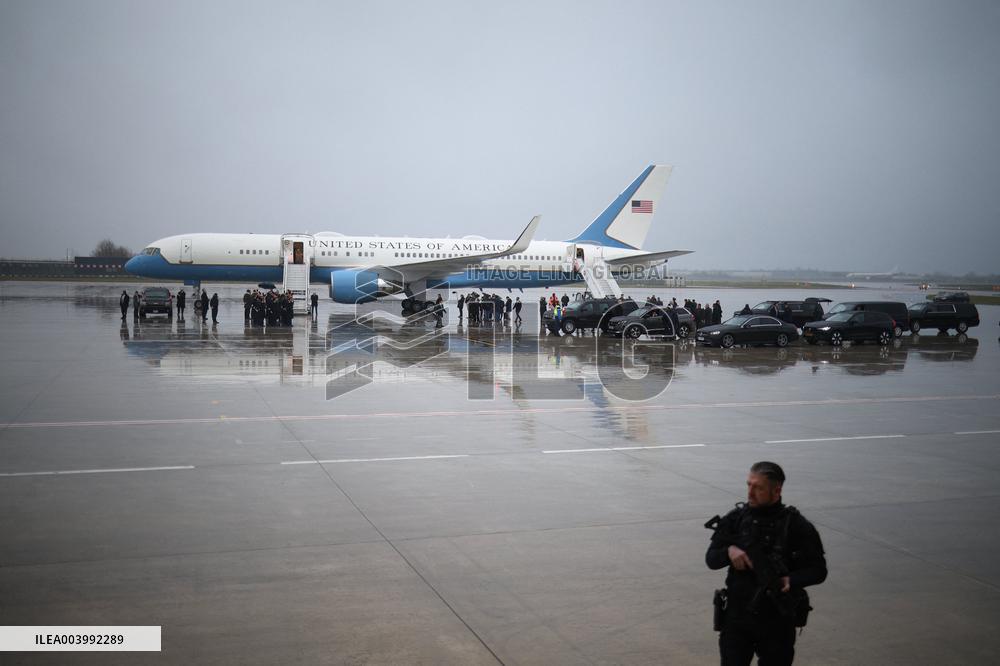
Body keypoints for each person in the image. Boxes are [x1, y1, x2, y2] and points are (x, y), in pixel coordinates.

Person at [706, 462, 827, 666]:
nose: (750, 493)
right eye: (748, 485)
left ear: (777, 490)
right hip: (738, 619)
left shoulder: (796, 525)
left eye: (758, 488)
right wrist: (729, 552)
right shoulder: (735, 519)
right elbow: (711, 559)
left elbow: (819, 571)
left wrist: (792, 579)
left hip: (777, 620)